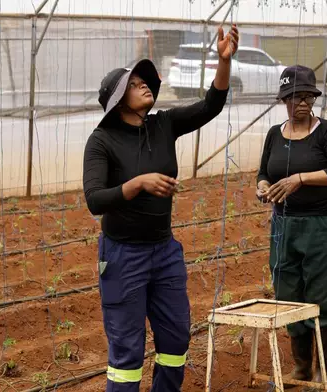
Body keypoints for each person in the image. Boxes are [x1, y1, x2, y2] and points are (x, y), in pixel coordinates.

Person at [82, 25, 239, 392]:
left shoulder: (164, 124)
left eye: (146, 82)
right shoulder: (102, 141)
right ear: (119, 99)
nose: (145, 86)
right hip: (123, 256)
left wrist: (223, 60)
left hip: (164, 251)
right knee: (127, 352)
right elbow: (94, 199)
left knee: (176, 339)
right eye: (135, 84)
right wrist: (138, 184)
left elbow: (211, 105)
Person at [256, 65, 327, 387]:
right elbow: (262, 172)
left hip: (322, 226)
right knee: (287, 293)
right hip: (284, 226)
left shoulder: (326, 132)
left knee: (321, 293)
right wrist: (262, 186)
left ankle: (326, 367)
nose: (302, 102)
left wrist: (301, 179)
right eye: (296, 96)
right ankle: (300, 367)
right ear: (283, 98)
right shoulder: (274, 134)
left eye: (308, 96)